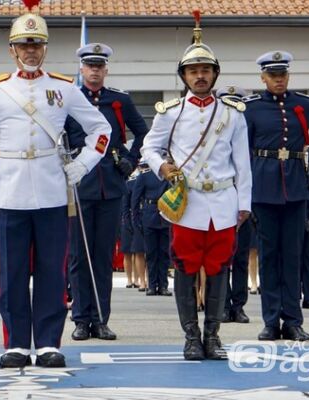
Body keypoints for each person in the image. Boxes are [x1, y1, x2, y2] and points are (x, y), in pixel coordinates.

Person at [0, 4, 111, 368]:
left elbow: (101, 130)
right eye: (24, 45)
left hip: (51, 191)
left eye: (37, 45)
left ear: (45, 49)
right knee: (12, 273)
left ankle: (49, 342)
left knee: (52, 271)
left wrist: (80, 166)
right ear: (12, 49)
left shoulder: (63, 88)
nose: (30, 51)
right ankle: (15, 343)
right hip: (10, 191)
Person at [140, 14, 251, 360]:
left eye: (205, 70)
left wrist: (244, 203)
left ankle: (213, 337)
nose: (200, 76)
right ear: (184, 76)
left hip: (223, 200)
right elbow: (147, 147)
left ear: (215, 74)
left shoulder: (232, 114)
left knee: (220, 267)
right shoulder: (170, 112)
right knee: (186, 266)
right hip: (186, 202)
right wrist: (163, 166)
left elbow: (242, 162)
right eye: (193, 71)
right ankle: (191, 337)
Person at [244, 50, 309, 341]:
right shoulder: (252, 108)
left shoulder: (304, 105)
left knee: (293, 257)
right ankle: (271, 321)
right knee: (269, 257)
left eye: (282, 75)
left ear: (288, 76)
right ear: (263, 77)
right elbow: (242, 150)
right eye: (272, 75)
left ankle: (293, 320)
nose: (278, 80)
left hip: (295, 188)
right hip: (264, 190)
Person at [66, 42, 149, 342]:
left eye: (99, 66)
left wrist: (130, 160)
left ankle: (100, 319)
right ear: (81, 69)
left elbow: (143, 132)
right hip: (79, 184)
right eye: (90, 66)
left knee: (102, 256)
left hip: (111, 183)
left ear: (105, 69)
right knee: (79, 255)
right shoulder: (70, 99)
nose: (95, 71)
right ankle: (80, 319)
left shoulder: (119, 101)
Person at [216, 85, 251, 324]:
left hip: (242, 202)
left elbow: (248, 169)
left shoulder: (245, 129)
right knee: (221, 257)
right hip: (220, 200)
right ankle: (222, 304)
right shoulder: (214, 133)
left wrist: (247, 203)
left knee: (241, 258)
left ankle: (238, 306)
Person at [130, 158, 171, 297]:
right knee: (151, 253)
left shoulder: (168, 176)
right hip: (149, 215)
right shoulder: (144, 176)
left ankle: (163, 285)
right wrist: (136, 220)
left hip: (165, 216)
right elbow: (135, 200)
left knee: (164, 253)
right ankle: (152, 285)